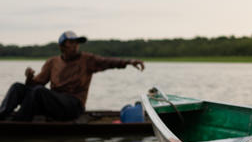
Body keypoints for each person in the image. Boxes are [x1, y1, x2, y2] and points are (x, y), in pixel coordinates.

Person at [0, 30, 145, 122]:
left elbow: (108, 62)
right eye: (71, 43)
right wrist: (29, 78)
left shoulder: (87, 60)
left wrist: (129, 62)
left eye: (77, 43)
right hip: (53, 104)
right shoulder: (53, 62)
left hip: (73, 106)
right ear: (62, 47)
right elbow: (35, 85)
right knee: (17, 87)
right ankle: (2, 115)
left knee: (39, 92)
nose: (75, 46)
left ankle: (19, 122)